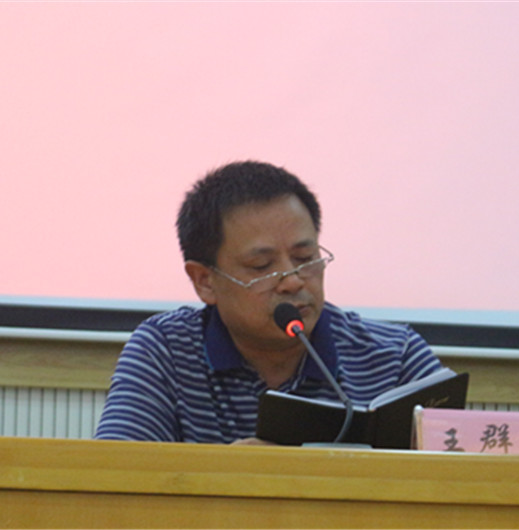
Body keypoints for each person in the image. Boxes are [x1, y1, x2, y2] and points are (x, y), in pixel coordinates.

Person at [94, 161, 444, 444]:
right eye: (262, 266)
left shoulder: (395, 356)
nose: (293, 281)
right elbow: (115, 481)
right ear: (204, 281)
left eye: (305, 257)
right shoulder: (165, 351)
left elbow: (464, 471)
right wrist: (233, 475)